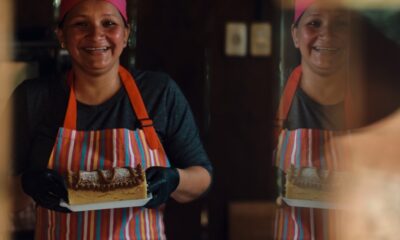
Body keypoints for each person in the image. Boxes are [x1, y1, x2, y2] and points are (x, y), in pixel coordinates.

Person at [11, 0, 212, 239]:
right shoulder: (32, 98)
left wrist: (174, 180)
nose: (96, 35)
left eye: (109, 23)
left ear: (126, 34)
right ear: (61, 35)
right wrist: (28, 185)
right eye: (80, 24)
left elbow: (201, 176)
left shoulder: (159, 93)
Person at [273, 0, 353, 238]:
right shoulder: (269, 96)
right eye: (314, 23)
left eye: (340, 24)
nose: (327, 34)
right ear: (295, 35)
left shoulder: (376, 102)